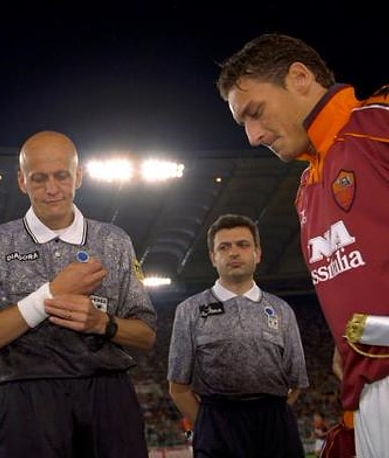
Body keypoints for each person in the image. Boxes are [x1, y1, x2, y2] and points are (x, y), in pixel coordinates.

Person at [217, 33, 389, 457]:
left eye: (255, 113)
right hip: (365, 395)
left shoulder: (378, 124)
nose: (253, 136)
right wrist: (353, 340)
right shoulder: (306, 189)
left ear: (299, 77)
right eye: (244, 125)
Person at [0, 130, 158, 458]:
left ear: (79, 176)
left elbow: (147, 336)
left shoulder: (113, 241)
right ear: (22, 181)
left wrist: (101, 323)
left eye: (62, 176)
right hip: (27, 397)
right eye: (39, 179)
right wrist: (49, 295)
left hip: (107, 394)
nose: (52, 189)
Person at [167, 213, 308, 457]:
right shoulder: (189, 310)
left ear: (257, 253)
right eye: (224, 247)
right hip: (217, 425)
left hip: (275, 427)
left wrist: (272, 415)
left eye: (243, 245)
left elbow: (297, 383)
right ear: (213, 257)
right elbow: (178, 388)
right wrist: (210, 423)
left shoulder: (282, 310)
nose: (234, 253)